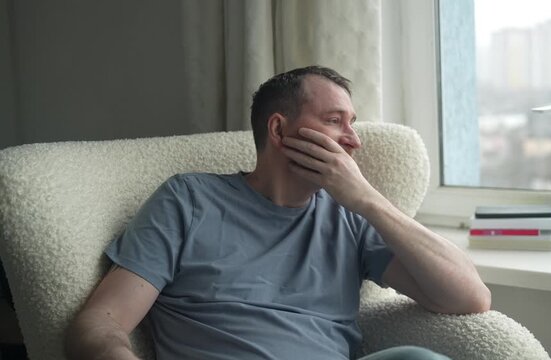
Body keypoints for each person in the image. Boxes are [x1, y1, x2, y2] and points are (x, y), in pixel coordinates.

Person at [65, 65, 491, 360]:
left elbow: (470, 297)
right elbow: (101, 321)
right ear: (280, 129)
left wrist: (366, 198)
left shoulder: (351, 217)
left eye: (352, 123)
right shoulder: (188, 200)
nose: (353, 140)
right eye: (334, 121)